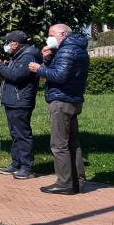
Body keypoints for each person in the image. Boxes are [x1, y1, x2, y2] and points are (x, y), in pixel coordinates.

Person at [29, 24, 90, 195]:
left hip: (62, 100)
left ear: (63, 34)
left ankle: (64, 184)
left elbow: (60, 76)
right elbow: (62, 70)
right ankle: (78, 181)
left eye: (51, 34)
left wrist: (39, 68)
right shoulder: (77, 48)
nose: (49, 37)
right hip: (74, 99)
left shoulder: (66, 50)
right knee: (73, 143)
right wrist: (48, 60)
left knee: (59, 144)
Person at [0, 30, 43, 180]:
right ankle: (16, 163)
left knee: (22, 134)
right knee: (15, 133)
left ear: (15, 43)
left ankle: (27, 167)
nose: (6, 45)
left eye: (8, 42)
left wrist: (0, 66)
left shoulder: (27, 56)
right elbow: (14, 71)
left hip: (20, 101)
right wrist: (4, 64)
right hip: (13, 100)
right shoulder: (18, 56)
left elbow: (17, 76)